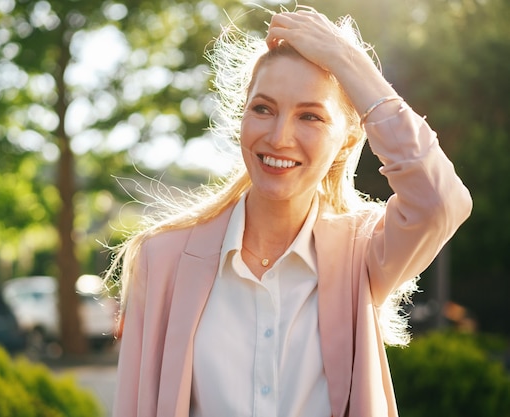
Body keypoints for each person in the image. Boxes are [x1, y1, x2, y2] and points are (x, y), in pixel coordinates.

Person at [106, 6, 472, 417]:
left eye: (310, 116)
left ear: (350, 138)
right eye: (262, 109)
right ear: (242, 115)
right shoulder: (163, 257)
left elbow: (442, 203)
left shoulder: (361, 254)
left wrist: (348, 60)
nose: (279, 137)